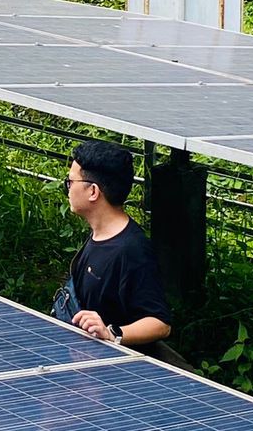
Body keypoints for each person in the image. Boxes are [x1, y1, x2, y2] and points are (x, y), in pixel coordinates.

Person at [56, 139, 172, 351]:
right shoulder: (99, 234)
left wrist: (112, 333)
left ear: (93, 191)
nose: (68, 189)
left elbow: (160, 324)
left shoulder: (132, 250)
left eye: (70, 182)